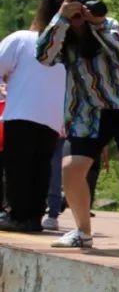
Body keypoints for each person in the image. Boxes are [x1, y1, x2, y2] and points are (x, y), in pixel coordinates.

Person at [35, 0, 119, 253]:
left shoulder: (110, 24)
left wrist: (97, 24)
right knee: (70, 169)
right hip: (86, 110)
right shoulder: (58, 32)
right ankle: (83, 232)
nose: (76, 5)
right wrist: (62, 21)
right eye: (67, 1)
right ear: (57, 7)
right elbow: (43, 57)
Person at [0, 15, 66, 232]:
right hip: (52, 117)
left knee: (18, 165)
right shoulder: (66, 49)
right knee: (41, 167)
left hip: (21, 111)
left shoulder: (22, 38)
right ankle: (34, 217)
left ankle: (17, 216)